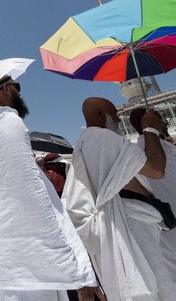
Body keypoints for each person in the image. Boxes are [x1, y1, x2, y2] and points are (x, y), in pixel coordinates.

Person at [0, 75, 100, 301]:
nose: (19, 93)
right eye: (17, 87)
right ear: (7, 88)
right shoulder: (9, 122)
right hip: (28, 250)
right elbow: (28, 191)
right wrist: (74, 267)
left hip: (1, 247)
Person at [62, 97, 174, 301]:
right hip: (130, 226)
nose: (117, 119)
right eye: (114, 114)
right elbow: (156, 169)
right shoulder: (102, 138)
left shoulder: (85, 144)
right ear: (99, 115)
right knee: (157, 290)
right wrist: (149, 129)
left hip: (129, 224)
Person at [129, 107, 176, 286]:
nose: (164, 121)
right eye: (159, 117)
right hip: (168, 226)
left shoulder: (166, 147)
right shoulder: (140, 154)